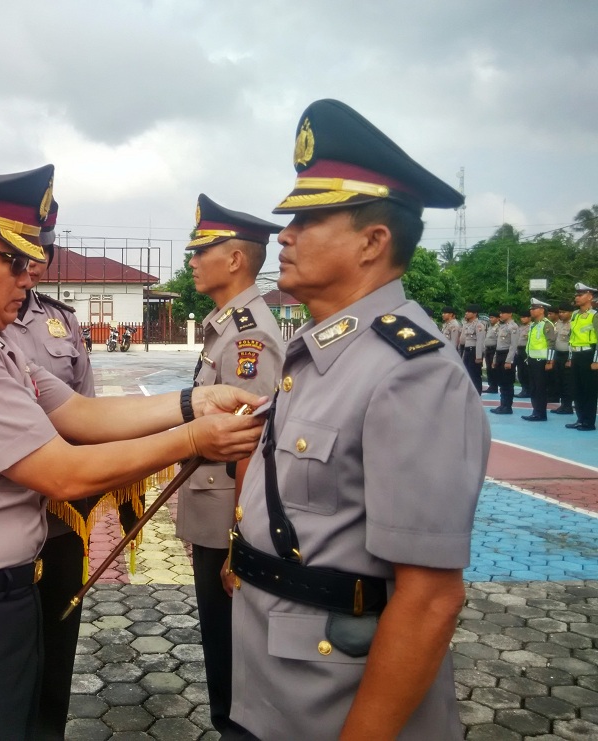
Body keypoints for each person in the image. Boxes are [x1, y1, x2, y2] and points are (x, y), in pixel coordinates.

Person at [0, 166, 265, 740]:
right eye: (13, 261)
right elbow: (63, 473)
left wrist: (196, 400)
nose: (30, 276)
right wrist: (195, 439)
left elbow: (79, 414)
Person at [225, 99, 490, 740]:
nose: (284, 234)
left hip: (333, 699)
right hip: (269, 681)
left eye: (309, 219)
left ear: (373, 242)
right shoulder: (319, 351)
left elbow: (429, 599)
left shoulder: (410, 371)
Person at [174, 193, 284, 734]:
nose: (192, 259)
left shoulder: (248, 336)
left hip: (229, 521)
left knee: (233, 659)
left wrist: (241, 543)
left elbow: (251, 443)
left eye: (202, 249)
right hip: (214, 511)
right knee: (222, 650)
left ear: (236, 259)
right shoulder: (226, 326)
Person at [5, 201, 98, 739]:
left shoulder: (60, 320)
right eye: (23, 249)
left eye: (44, 249)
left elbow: (85, 410)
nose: (35, 261)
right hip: (1, 514)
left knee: (57, 644)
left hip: (62, 516)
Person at [566, 282, 597, 431]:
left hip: (589, 355)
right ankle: (580, 419)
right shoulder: (575, 315)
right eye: (576, 295)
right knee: (577, 389)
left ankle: (589, 422)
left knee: (589, 390)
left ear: (590, 296)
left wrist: (596, 360)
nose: (577, 297)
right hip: (576, 354)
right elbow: (572, 337)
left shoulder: (595, 315)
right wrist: (571, 358)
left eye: (580, 295)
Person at [522, 298, 555, 422]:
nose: (531, 311)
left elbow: (551, 343)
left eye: (534, 308)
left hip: (541, 361)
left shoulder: (546, 324)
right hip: (532, 359)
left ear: (541, 310)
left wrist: (549, 361)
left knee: (540, 388)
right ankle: (536, 411)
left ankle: (540, 413)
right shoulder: (534, 324)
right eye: (531, 308)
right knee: (534, 387)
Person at [491, 306, 519, 415]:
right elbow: (498, 345)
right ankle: (502, 405)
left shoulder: (513, 327)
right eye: (500, 313)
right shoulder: (502, 327)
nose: (501, 315)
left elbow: (513, 345)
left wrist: (509, 361)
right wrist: (494, 359)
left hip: (507, 355)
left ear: (510, 314)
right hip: (500, 355)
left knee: (507, 382)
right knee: (502, 382)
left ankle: (507, 406)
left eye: (503, 313)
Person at [552, 303, 575, 414]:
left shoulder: (573, 324)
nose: (561, 314)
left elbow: (573, 342)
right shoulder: (558, 324)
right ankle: (563, 405)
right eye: (560, 312)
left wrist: (570, 359)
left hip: (567, 355)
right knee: (559, 380)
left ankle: (568, 406)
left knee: (567, 382)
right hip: (558, 354)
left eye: (563, 312)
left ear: (570, 313)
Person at [460, 304, 485, 394]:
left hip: (473, 351)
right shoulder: (467, 324)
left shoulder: (479, 325)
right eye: (466, 311)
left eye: (469, 312)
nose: (466, 313)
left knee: (475, 374)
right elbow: (463, 340)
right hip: (467, 350)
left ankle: (477, 393)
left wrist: (478, 356)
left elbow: (480, 341)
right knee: (467, 373)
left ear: (475, 313)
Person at [483, 310, 500, 394]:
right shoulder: (490, 327)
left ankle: (494, 386)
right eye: (490, 317)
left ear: (498, 318)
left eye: (492, 317)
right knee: (489, 369)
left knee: (494, 369)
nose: (490, 319)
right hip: (488, 349)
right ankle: (491, 386)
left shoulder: (498, 327)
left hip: (494, 349)